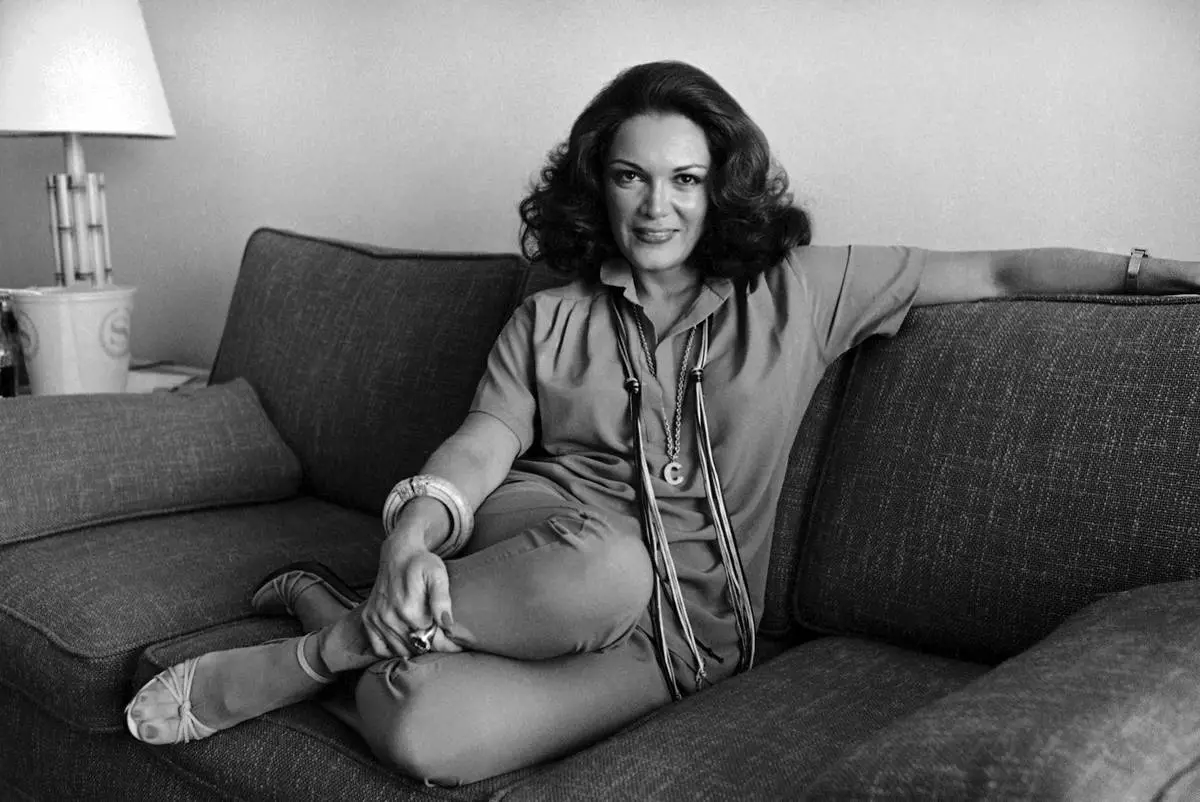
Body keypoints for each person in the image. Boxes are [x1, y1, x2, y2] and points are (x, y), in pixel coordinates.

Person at [124, 60, 1199, 785]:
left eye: (686, 179)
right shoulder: (549, 317)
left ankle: (340, 619)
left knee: (424, 733)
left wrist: (1149, 269)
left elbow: (1000, 272)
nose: (657, 206)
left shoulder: (801, 290)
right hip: (546, 552)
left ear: (719, 185)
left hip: (690, 636)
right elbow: (484, 442)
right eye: (632, 176)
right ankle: (323, 646)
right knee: (603, 566)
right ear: (598, 184)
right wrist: (413, 529)